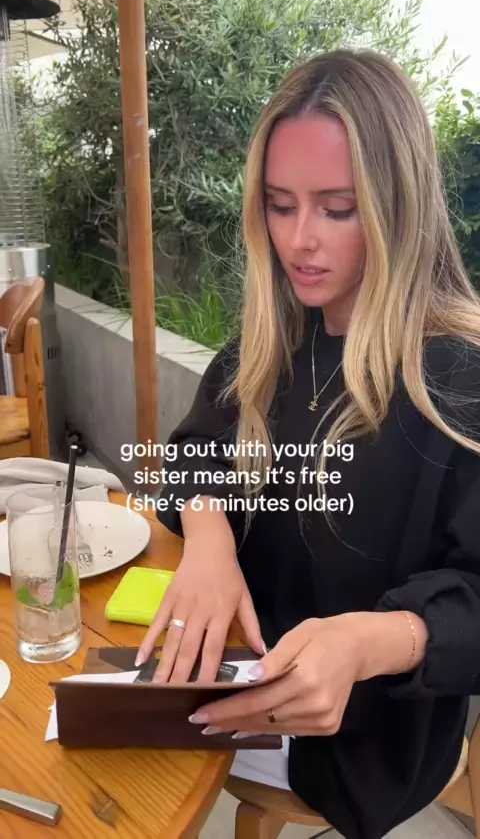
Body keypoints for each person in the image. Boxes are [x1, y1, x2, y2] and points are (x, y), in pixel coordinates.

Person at [137, 48, 480, 839]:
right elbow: (195, 449)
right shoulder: (271, 342)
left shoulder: (460, 377)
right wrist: (209, 540)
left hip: (370, 738)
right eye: (279, 204)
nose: (300, 242)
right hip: (238, 680)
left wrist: (372, 641)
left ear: (398, 206)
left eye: (337, 208)